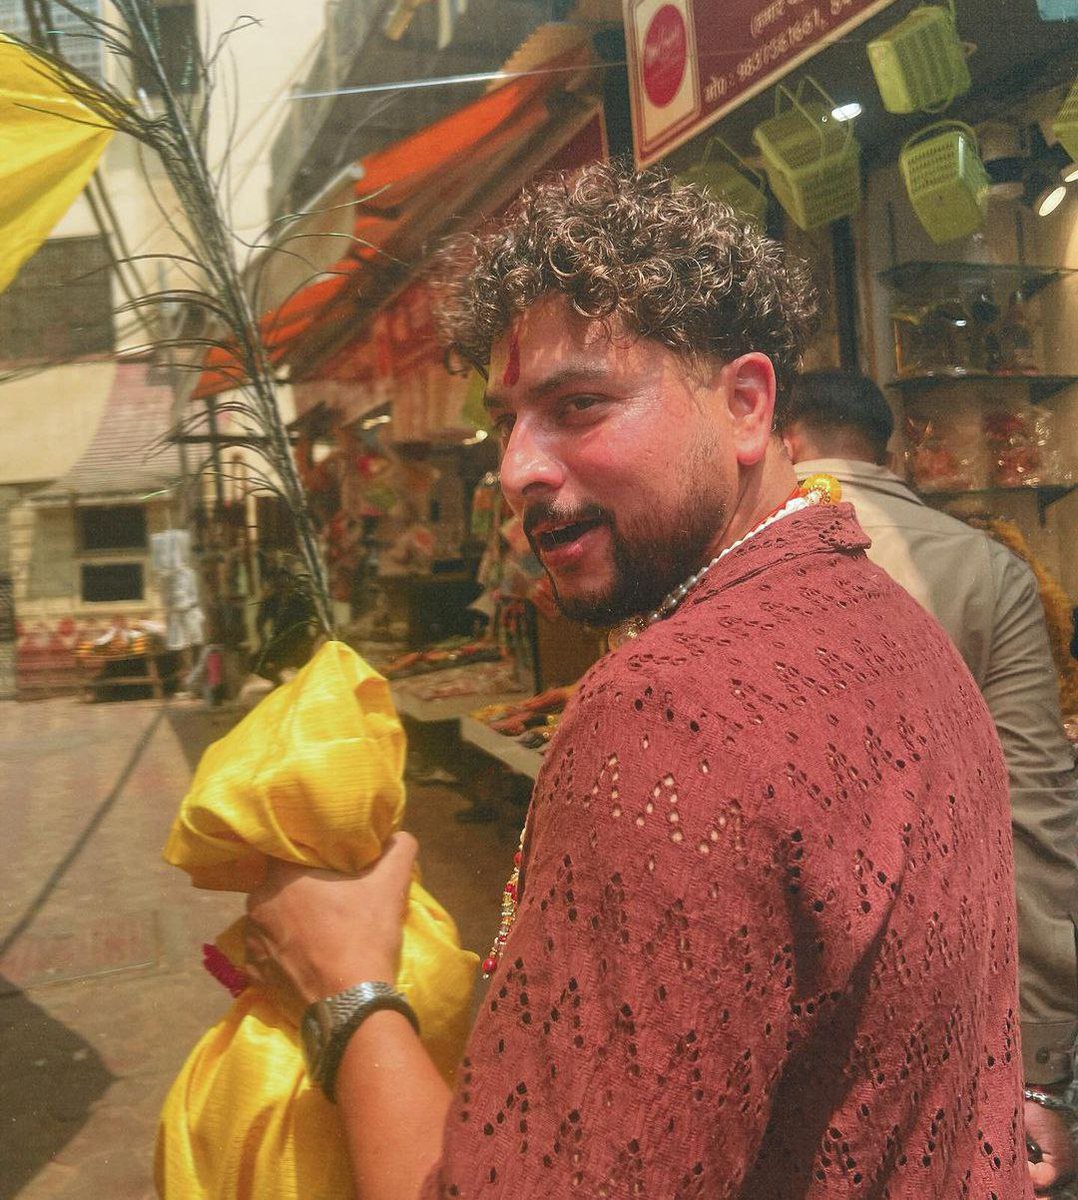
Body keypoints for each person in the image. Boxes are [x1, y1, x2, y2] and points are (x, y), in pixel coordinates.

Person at [245, 163, 1034, 1198]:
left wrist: (344, 989)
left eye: (579, 404)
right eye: (504, 422)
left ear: (746, 404)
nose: (518, 468)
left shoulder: (665, 715)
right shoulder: (894, 624)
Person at [780, 369, 1078, 1190]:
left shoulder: (725, 567)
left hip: (771, 1025)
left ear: (782, 437)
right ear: (896, 449)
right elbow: (1037, 819)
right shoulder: (989, 573)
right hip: (942, 1014)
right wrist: (1042, 1064)